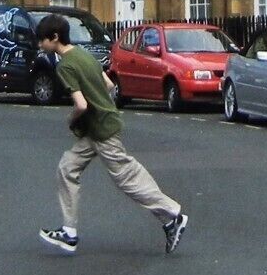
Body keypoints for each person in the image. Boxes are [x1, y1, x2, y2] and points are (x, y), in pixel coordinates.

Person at [34, 14, 188, 256]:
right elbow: (108, 85)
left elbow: (81, 105)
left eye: (41, 40)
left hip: (102, 131)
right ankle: (69, 233)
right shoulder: (84, 55)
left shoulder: (65, 65)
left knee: (127, 179)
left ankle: (172, 215)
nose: (39, 45)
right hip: (98, 129)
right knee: (67, 168)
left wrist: (71, 120)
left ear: (54, 38)